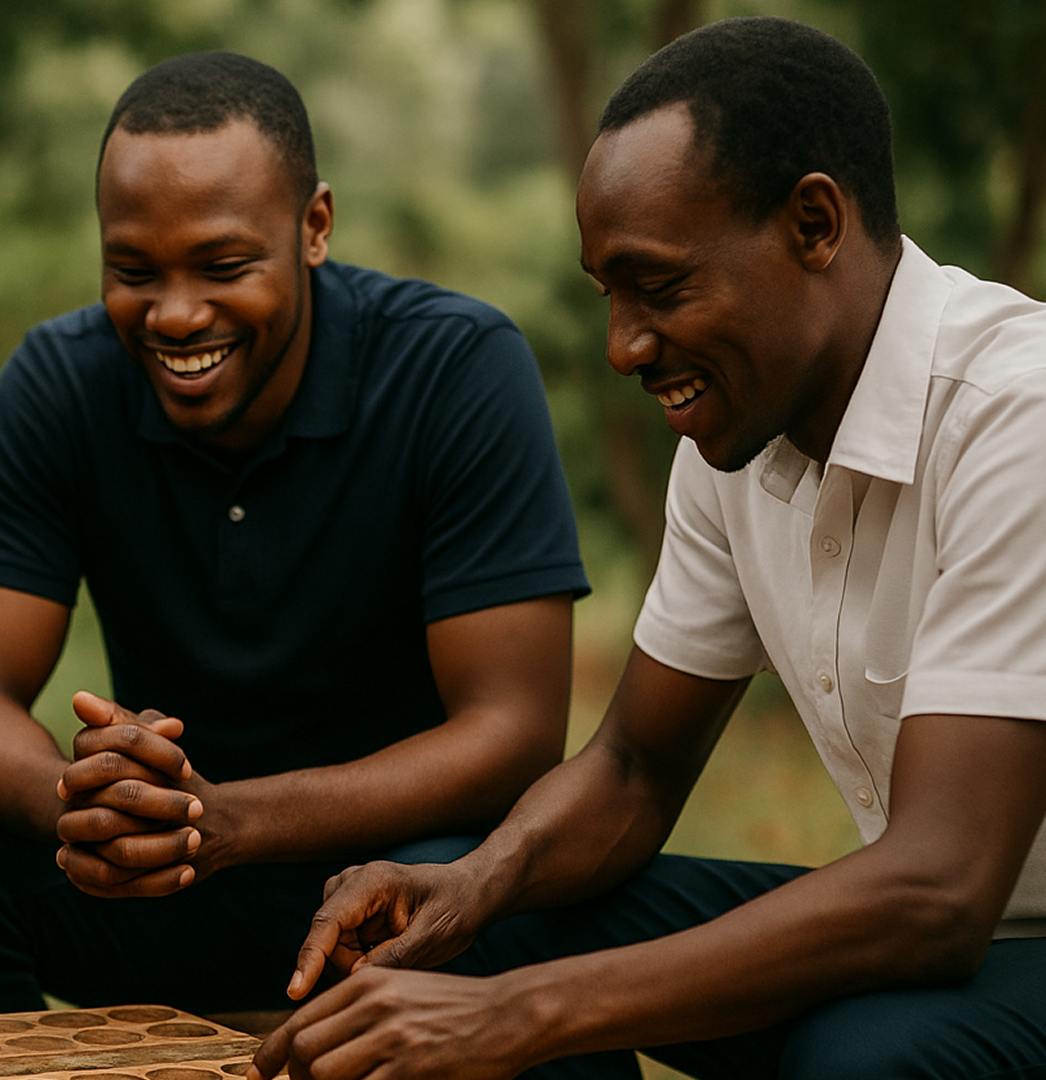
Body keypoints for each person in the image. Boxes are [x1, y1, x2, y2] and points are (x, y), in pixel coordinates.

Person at [252, 16, 1046, 1080]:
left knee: (863, 1057)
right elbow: (634, 767)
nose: (624, 346)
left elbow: (941, 891)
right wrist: (475, 884)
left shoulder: (1017, 417)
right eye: (610, 297)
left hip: (972, 919)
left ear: (814, 224)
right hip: (939, 923)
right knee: (450, 930)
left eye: (660, 287)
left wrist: (524, 1014)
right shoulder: (739, 434)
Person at [0, 51, 589, 1016]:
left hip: (385, 881)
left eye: (223, 267)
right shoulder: (59, 381)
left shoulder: (454, 368)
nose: (174, 315)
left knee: (479, 890)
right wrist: (93, 809)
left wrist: (235, 819)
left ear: (314, 227)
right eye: (133, 271)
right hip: (165, 884)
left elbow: (513, 731)